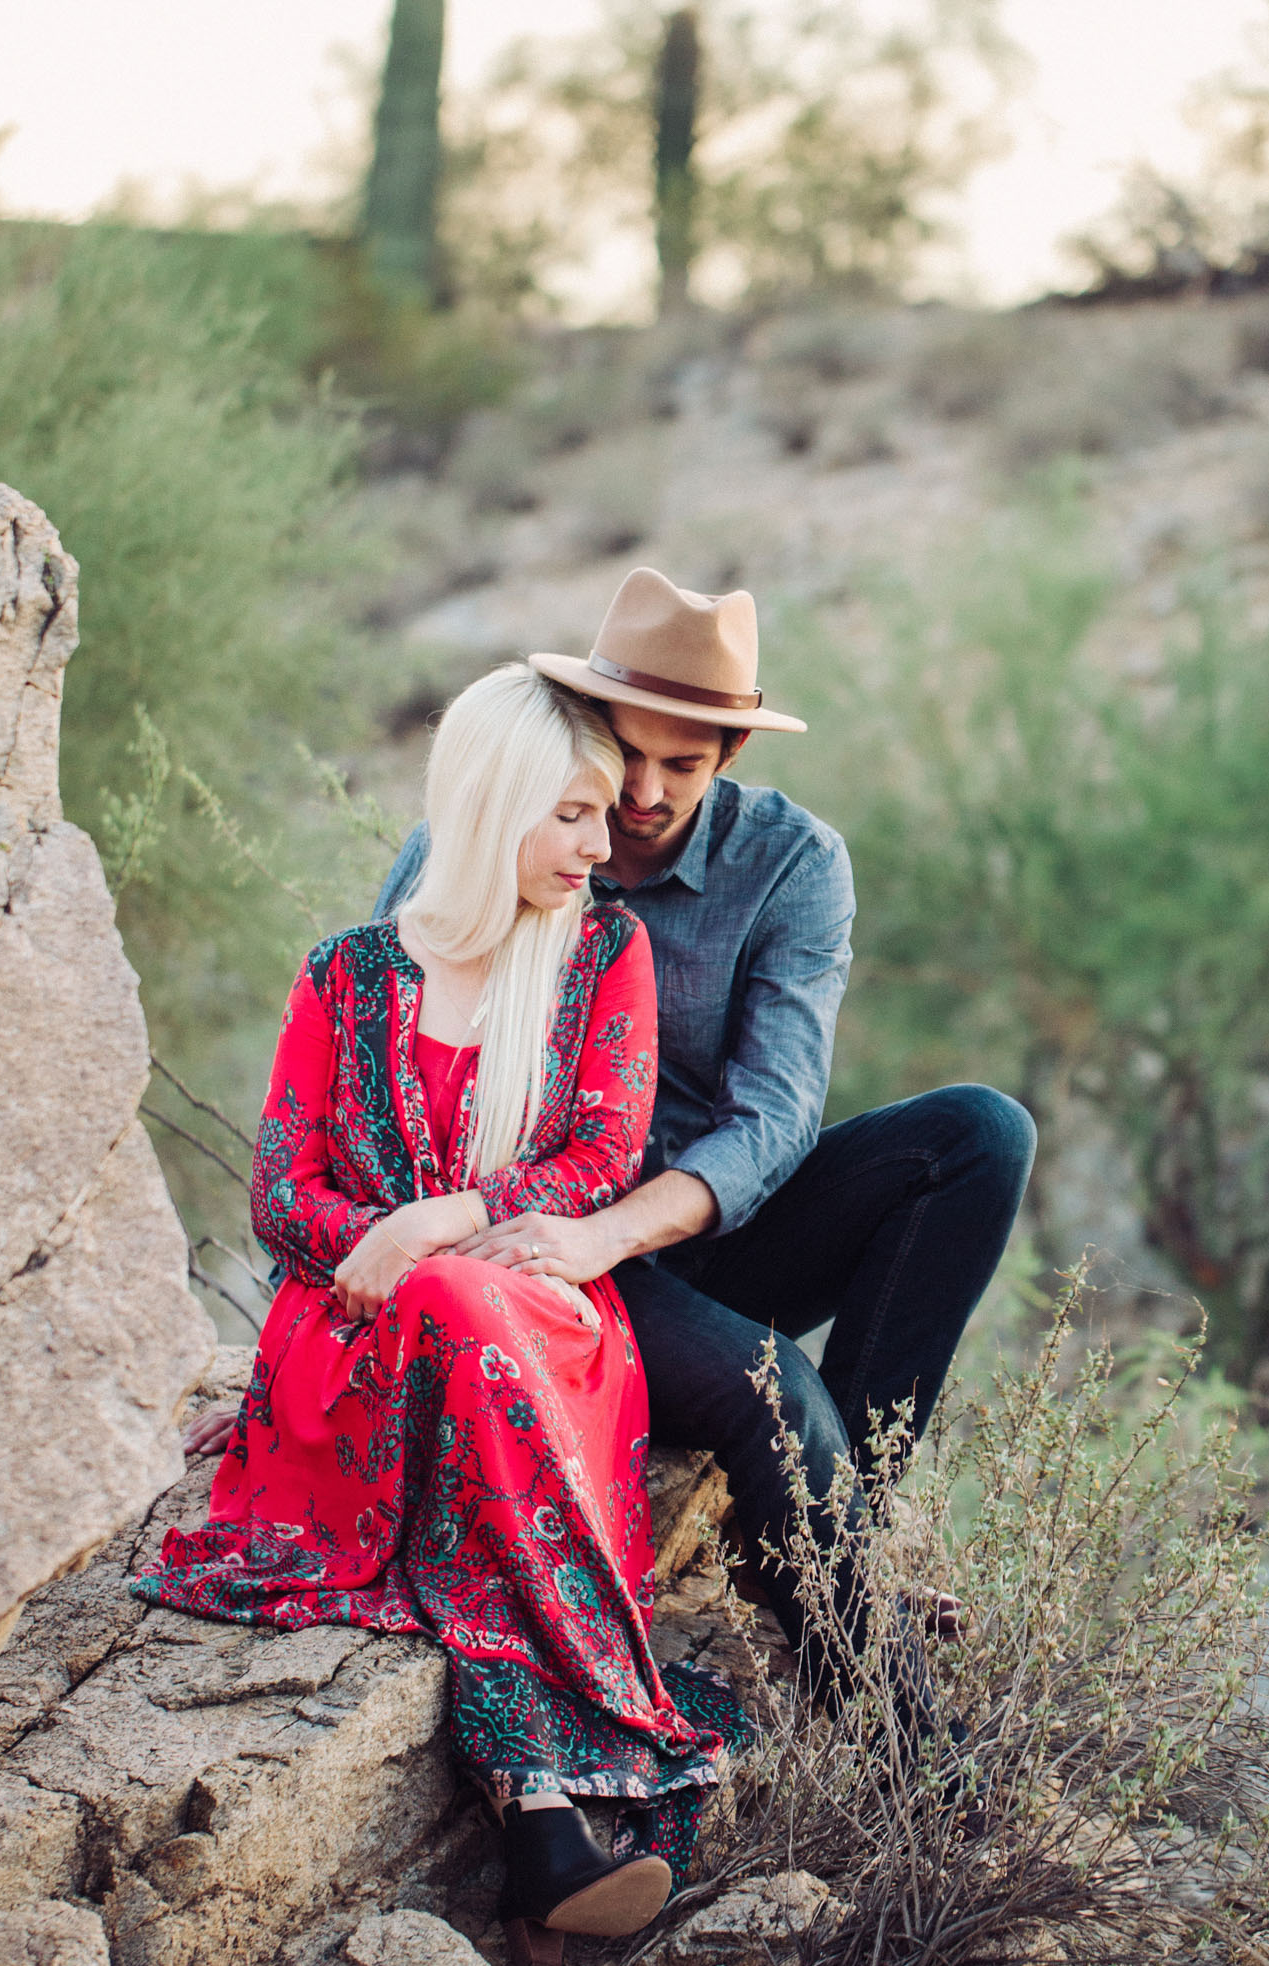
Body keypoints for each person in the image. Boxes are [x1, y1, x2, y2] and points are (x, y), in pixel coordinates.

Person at [189, 567, 1036, 1733]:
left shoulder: (792, 863)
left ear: (727, 757)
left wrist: (607, 1232)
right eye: (623, 755)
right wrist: (301, 1366)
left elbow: (777, 1116)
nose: (639, 795)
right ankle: (896, 1721)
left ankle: (822, 1539)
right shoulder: (479, 842)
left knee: (979, 1135)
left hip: (666, 1222)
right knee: (770, 1392)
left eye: (681, 767)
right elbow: (372, 1093)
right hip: (514, 1244)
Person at [135, 665, 739, 1966]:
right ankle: (552, 1813)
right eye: (573, 815)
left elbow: (597, 1159)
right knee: (451, 1316)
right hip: (356, 1336)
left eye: (604, 817)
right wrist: (385, 1247)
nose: (603, 843)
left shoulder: (601, 956)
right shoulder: (347, 975)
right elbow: (281, 1193)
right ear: (495, 803)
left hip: (537, 1322)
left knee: (466, 1304)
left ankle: (548, 1817)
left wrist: (430, 1222)